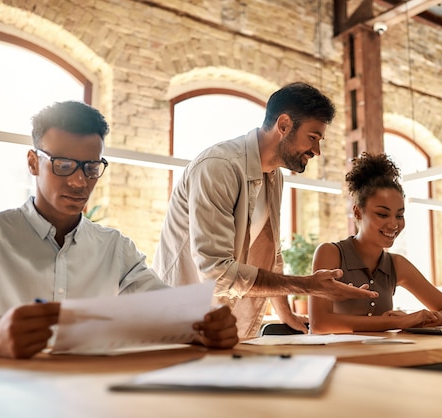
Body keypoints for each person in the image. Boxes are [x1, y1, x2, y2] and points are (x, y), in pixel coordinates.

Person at [0, 101, 238, 359]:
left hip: (94, 396)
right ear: (33, 162)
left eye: (91, 167)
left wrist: (208, 324)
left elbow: (172, 314)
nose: (80, 182)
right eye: (64, 166)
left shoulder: (116, 249)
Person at [153, 82, 377, 338]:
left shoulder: (274, 177)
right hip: (176, 321)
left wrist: (286, 314)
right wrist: (308, 286)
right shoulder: (219, 166)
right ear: (283, 125)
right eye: (313, 138)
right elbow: (216, 272)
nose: (316, 151)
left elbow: (272, 256)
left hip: (217, 326)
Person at [308, 152, 442, 334]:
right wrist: (397, 322)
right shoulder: (330, 253)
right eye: (382, 214)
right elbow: (320, 323)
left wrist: (418, 320)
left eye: (399, 215)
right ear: (358, 213)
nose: (393, 224)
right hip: (333, 359)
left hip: (380, 356)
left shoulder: (396, 264)